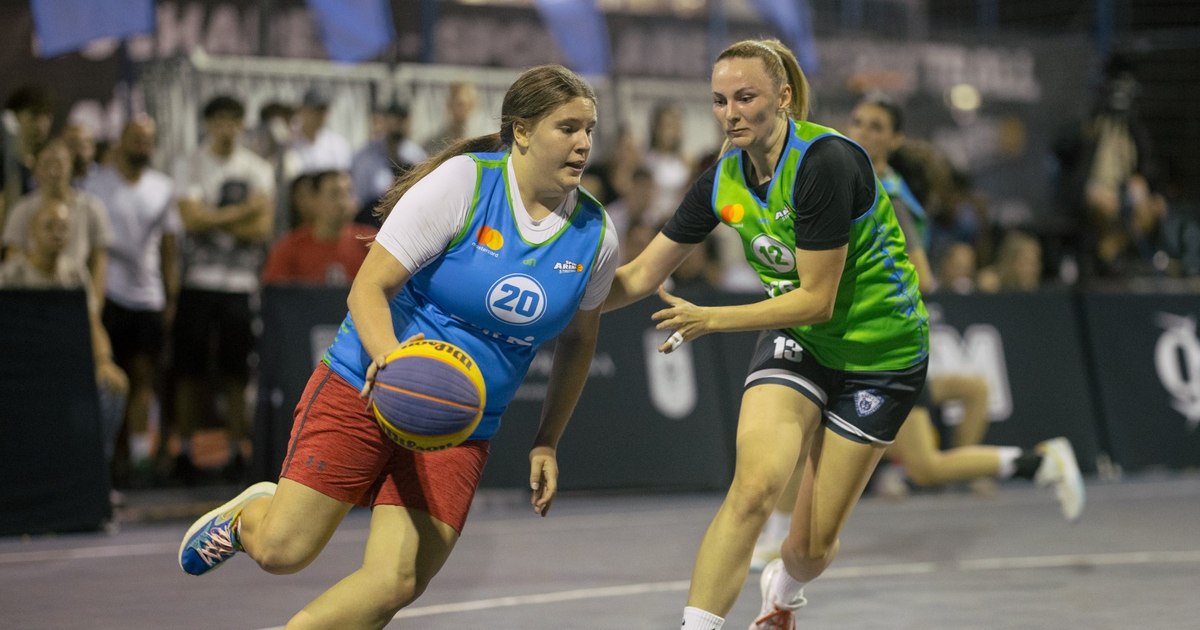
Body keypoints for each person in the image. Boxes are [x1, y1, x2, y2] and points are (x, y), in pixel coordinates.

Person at [177, 64, 618, 629]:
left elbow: (580, 340)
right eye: (568, 128)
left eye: (590, 130)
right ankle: (248, 521)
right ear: (522, 131)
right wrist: (393, 364)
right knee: (283, 552)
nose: (583, 144)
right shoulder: (464, 184)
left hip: (457, 422)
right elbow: (369, 288)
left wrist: (547, 441)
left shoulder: (595, 233)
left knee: (396, 582)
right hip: (366, 381)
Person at [603, 39, 929, 630]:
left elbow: (817, 299)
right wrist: (562, 307)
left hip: (881, 356)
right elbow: (642, 274)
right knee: (753, 489)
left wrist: (711, 318)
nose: (730, 113)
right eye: (719, 100)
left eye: (745, 97)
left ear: (781, 98)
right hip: (799, 341)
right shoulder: (722, 180)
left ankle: (784, 590)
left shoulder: (825, 162)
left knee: (809, 550)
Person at [749, 97, 1086, 576]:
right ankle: (776, 537)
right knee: (835, 441)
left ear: (895, 139)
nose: (863, 130)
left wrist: (857, 287)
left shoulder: (885, 195)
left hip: (880, 345)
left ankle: (1041, 461)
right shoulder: (849, 179)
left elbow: (922, 276)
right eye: (858, 121)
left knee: (920, 464)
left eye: (876, 126)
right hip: (851, 341)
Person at [170, 94, 275, 483]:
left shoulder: (258, 168)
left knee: (236, 372)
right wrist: (243, 211)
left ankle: (235, 451)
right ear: (208, 124)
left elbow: (261, 229)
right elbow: (189, 221)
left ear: (242, 125)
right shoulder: (190, 163)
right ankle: (184, 451)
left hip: (240, 284)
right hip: (197, 280)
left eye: (234, 120)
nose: (227, 128)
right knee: (189, 371)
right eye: (220, 120)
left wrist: (210, 216)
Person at [82, 116, 181, 487]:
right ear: (121, 140)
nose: (142, 144)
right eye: (135, 137)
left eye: (148, 139)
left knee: (144, 378)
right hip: (108, 296)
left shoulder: (162, 187)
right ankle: (110, 457)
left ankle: (140, 459)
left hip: (148, 298)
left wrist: (170, 296)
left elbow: (169, 247)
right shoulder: (97, 184)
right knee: (109, 379)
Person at [0, 200, 128, 484]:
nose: (56, 234)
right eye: (49, 227)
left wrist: (104, 361)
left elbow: (93, 324)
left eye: (63, 228)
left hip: (65, 371)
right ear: (32, 232)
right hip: (20, 373)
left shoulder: (76, 274)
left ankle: (94, 473)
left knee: (113, 387)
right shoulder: (10, 276)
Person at [2, 139, 113, 301]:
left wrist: (93, 307)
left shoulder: (92, 208)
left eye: (59, 164)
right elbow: (13, 260)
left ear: (71, 166)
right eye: (47, 164)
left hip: (74, 290)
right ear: (36, 169)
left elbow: (99, 263)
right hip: (30, 295)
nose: (53, 171)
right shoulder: (21, 210)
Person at [261, 169, 376, 286]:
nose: (342, 202)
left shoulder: (371, 243)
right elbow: (275, 292)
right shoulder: (289, 248)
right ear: (314, 200)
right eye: (334, 194)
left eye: (348, 193)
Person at [349, 101, 426, 226]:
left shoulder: (416, 155)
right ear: (384, 121)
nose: (396, 125)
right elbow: (359, 199)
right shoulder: (365, 156)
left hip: (407, 217)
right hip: (373, 218)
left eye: (401, 120)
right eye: (393, 119)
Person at [288, 87, 352, 178]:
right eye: (315, 110)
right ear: (302, 110)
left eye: (323, 110)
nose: (320, 115)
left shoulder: (337, 145)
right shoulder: (289, 142)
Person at [422, 81, 480, 154]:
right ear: (449, 104)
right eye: (459, 104)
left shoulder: (479, 141)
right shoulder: (434, 143)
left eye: (468, 104)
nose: (463, 109)